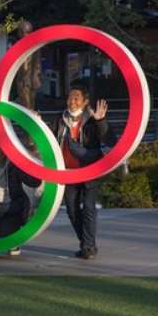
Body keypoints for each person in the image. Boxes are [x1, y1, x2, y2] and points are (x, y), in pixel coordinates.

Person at [53, 84, 114, 260]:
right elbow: (49, 138)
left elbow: (109, 139)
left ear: (85, 101)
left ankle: (87, 247)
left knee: (88, 207)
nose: (72, 101)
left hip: (90, 171)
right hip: (69, 173)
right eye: (70, 97)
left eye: (76, 98)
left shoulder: (92, 119)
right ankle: (87, 244)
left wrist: (100, 121)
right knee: (72, 210)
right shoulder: (59, 119)